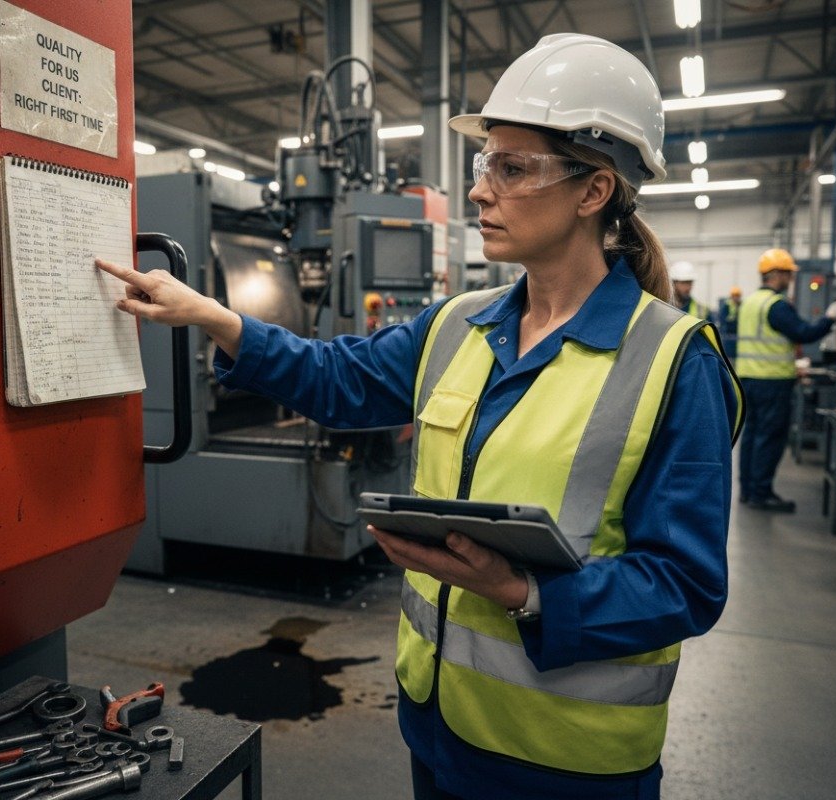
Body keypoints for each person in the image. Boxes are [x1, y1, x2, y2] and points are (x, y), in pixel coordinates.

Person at [97, 33, 742, 800]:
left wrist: (521, 590)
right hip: (437, 727)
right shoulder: (458, 324)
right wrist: (216, 318)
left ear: (594, 190)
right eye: (483, 165)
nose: (479, 191)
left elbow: (685, 586)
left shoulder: (674, 361)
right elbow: (338, 379)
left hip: (564, 763)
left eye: (512, 168)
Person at [737, 248, 836, 512]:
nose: (790, 279)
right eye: (787, 273)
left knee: (751, 435)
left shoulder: (751, 302)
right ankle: (761, 493)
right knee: (769, 437)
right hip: (772, 382)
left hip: (748, 378)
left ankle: (748, 490)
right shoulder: (777, 306)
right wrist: (831, 317)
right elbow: (804, 333)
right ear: (775, 274)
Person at [718, 285, 742, 360]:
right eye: (734, 296)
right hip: (729, 334)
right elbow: (723, 320)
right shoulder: (727, 306)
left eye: (737, 296)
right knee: (729, 354)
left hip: (738, 334)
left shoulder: (741, 305)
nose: (736, 297)